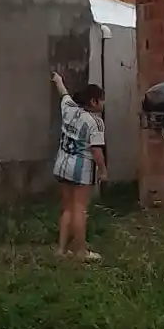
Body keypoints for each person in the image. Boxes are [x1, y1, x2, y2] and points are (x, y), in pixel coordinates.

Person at [51, 72, 107, 262]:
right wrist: (103, 171)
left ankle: (61, 250)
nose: (103, 104)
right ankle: (80, 251)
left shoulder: (69, 109)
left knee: (67, 208)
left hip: (62, 165)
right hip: (80, 170)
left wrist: (58, 80)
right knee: (79, 209)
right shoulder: (95, 122)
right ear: (93, 101)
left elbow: (63, 93)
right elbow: (96, 150)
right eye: (101, 100)